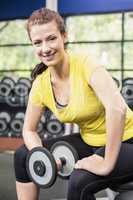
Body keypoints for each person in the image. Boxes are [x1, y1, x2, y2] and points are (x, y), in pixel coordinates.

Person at [14, 7, 133, 200]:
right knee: (22, 154)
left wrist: (106, 163)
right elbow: (29, 130)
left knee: (79, 181)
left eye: (51, 38)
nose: (45, 48)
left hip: (127, 140)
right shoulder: (41, 84)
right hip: (91, 141)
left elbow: (117, 108)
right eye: (38, 42)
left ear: (64, 36)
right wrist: (42, 153)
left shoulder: (86, 64)